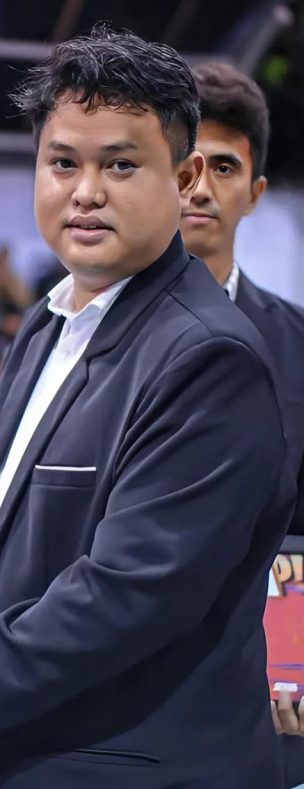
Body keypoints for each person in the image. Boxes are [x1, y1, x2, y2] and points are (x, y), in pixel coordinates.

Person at [0, 26, 295, 788]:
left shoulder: (210, 357)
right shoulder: (49, 323)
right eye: (63, 163)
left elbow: (126, 595)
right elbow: (32, 507)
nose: (86, 191)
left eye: (121, 164)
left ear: (183, 178)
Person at [179, 61, 304, 786]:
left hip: (255, 706)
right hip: (97, 711)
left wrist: (298, 659)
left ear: (254, 192)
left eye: (223, 166)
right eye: (187, 163)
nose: (200, 187)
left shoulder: (298, 347)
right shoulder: (71, 331)